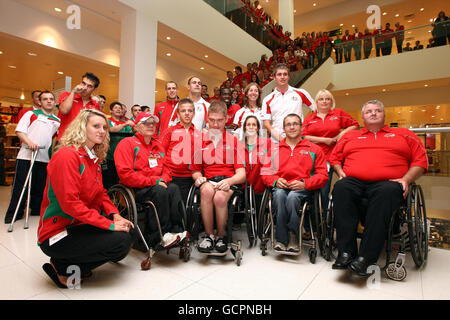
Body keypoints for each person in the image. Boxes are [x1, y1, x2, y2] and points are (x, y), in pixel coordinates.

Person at [330, 100, 428, 276]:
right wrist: (340, 172)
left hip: (388, 182)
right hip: (355, 181)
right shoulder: (350, 136)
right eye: (369, 111)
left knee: (387, 191)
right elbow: (334, 158)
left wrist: (406, 179)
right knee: (340, 188)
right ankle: (346, 252)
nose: (373, 113)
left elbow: (421, 161)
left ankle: (367, 257)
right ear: (363, 116)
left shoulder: (404, 134)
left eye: (377, 111)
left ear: (384, 115)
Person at [38, 109, 134, 289]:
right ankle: (63, 266)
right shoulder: (67, 155)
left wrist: (115, 215)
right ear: (82, 127)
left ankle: (74, 264)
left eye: (105, 127)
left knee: (129, 232)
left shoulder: (92, 158)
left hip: (79, 225)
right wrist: (110, 225)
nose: (102, 131)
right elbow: (70, 205)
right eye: (96, 126)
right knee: (120, 240)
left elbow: (101, 193)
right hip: (56, 234)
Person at [114, 112, 188, 249]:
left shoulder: (158, 146)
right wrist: (154, 181)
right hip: (135, 188)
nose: (150, 125)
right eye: (145, 123)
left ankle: (177, 231)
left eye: (153, 123)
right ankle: (159, 236)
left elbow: (167, 169)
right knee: (159, 191)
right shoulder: (127, 144)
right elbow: (126, 175)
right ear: (136, 127)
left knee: (173, 188)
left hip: (156, 184)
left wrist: (163, 179)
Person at [261, 113, 328, 252]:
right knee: (279, 196)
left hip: (303, 189)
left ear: (301, 127)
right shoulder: (274, 149)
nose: (292, 127)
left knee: (292, 197)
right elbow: (265, 173)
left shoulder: (314, 149)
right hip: (281, 187)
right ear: (284, 129)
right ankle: (281, 239)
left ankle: (293, 237)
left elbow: (323, 176)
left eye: (295, 124)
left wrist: (305, 183)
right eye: (288, 124)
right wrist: (276, 180)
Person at [191, 100, 246, 253]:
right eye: (212, 120)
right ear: (207, 119)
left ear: (226, 119)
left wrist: (229, 181)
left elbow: (242, 174)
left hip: (229, 181)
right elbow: (195, 170)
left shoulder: (234, 141)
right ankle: (209, 236)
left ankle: (222, 236)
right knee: (207, 191)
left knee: (220, 197)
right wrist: (198, 178)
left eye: (220, 120)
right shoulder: (200, 141)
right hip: (209, 180)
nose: (215, 124)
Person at [4, 91, 61, 224]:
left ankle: (36, 210)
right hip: (26, 156)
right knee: (21, 186)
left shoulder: (57, 121)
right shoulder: (31, 114)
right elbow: (20, 131)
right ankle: (14, 213)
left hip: (44, 158)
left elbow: (59, 139)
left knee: (40, 186)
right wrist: (29, 142)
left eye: (51, 99)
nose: (49, 101)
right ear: (39, 102)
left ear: (54, 102)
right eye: (45, 99)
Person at [302, 89, 359, 209]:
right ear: (316, 102)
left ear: (331, 101)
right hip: (318, 158)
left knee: (349, 185)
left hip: (337, 155)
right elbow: (303, 136)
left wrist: (340, 135)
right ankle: (323, 218)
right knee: (322, 191)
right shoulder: (310, 118)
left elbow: (355, 125)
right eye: (321, 99)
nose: (324, 101)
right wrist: (325, 140)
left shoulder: (338, 113)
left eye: (327, 99)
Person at [161, 98, 201, 204]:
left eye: (190, 111)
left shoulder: (199, 134)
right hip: (171, 177)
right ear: (178, 114)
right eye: (183, 111)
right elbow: (160, 155)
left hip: (190, 178)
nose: (187, 114)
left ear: (194, 113)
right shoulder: (169, 131)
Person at [262, 63, 315, 141]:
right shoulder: (267, 99)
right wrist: (282, 140)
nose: (282, 77)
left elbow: (316, 110)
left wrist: (307, 126)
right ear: (274, 77)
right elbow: (266, 124)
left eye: (285, 74)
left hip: (298, 139)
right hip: (277, 142)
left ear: (288, 77)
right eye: (279, 74)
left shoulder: (301, 93)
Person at [57, 72, 101, 141]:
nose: (85, 88)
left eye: (89, 86)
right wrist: (74, 92)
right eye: (83, 83)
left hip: (83, 141)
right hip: (64, 140)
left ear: (94, 89)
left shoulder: (95, 105)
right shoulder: (67, 95)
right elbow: (64, 110)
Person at [242, 115, 272, 214]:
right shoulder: (238, 145)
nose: (251, 127)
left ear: (258, 128)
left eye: (254, 125)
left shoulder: (267, 143)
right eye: (248, 124)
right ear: (244, 128)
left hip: (261, 188)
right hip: (243, 188)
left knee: (260, 218)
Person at [102, 102, 135, 189]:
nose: (118, 109)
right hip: (109, 156)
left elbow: (131, 133)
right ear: (111, 111)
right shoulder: (107, 121)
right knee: (109, 180)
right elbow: (111, 130)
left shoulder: (125, 122)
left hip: (122, 157)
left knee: (120, 179)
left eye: (120, 108)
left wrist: (134, 126)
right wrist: (125, 124)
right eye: (116, 108)